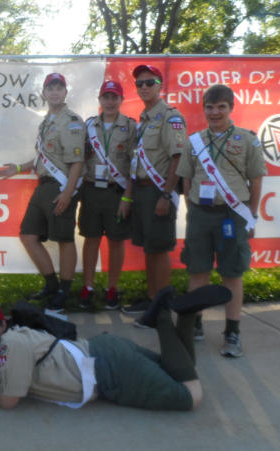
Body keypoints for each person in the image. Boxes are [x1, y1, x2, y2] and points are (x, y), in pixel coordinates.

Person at [0, 289, 229, 412]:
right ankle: (186, 316)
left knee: (191, 396)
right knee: (178, 371)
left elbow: (8, 401)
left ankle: (163, 316)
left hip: (109, 372)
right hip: (105, 353)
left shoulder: (11, 345)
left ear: (3, 325)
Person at [167, 84, 266, 357]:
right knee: (197, 271)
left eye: (221, 107)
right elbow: (187, 179)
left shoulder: (247, 140)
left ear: (230, 108)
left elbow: (256, 181)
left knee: (231, 274)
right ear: (204, 109)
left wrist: (251, 216)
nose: (215, 112)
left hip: (232, 216)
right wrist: (193, 210)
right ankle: (195, 324)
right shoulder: (194, 141)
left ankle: (232, 332)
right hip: (201, 214)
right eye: (209, 107)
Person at [0, 73, 86, 314]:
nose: (55, 92)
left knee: (64, 239)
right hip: (43, 185)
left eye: (59, 88)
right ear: (44, 93)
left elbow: (77, 162)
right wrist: (18, 168)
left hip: (61, 187)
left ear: (65, 92)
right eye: (50, 88)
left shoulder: (72, 121)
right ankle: (51, 285)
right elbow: (41, 157)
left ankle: (64, 292)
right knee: (28, 235)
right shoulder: (47, 121)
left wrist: (68, 193)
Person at [122, 65, 187, 317]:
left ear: (160, 85)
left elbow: (178, 158)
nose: (144, 87)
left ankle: (162, 304)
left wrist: (166, 194)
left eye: (150, 82)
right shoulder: (144, 119)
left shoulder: (170, 117)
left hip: (158, 191)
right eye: (140, 84)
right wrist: (129, 196)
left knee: (159, 249)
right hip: (141, 191)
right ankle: (152, 299)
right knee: (150, 247)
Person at [78, 80, 136, 311]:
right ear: (100, 100)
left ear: (121, 100)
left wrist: (127, 198)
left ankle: (112, 287)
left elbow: (134, 166)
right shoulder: (88, 126)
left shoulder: (130, 127)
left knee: (116, 241)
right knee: (91, 239)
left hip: (116, 192)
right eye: (106, 97)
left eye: (114, 97)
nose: (110, 102)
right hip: (91, 189)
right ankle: (88, 286)